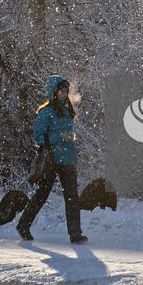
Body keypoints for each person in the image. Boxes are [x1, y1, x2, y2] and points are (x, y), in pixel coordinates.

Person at [17, 74, 87, 243]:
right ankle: (23, 225)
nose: (64, 94)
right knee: (42, 194)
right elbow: (38, 136)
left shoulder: (69, 111)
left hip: (69, 158)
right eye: (61, 91)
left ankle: (75, 234)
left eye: (65, 91)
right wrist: (58, 138)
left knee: (72, 197)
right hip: (52, 159)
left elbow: (68, 133)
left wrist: (70, 138)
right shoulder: (46, 112)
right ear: (53, 91)